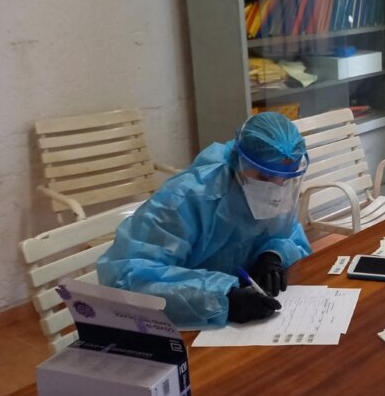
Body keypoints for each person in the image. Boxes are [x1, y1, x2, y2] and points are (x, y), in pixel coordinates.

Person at [97, 112, 313, 329]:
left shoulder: (274, 192)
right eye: (265, 177)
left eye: (287, 179)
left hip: (234, 327)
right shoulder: (185, 200)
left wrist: (272, 254)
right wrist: (221, 297)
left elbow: (289, 235)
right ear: (239, 162)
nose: (276, 191)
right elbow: (125, 281)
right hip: (178, 327)